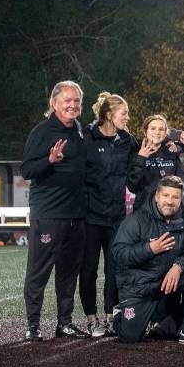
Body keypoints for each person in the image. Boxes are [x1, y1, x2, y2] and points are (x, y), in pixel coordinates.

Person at [21, 81, 91, 341]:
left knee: (68, 274)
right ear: (54, 103)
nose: (73, 105)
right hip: (49, 215)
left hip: (76, 216)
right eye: (67, 100)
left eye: (77, 101)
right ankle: (33, 326)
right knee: (38, 272)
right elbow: (27, 170)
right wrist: (49, 161)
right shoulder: (42, 131)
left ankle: (64, 323)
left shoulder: (80, 131)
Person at [111, 176, 184, 344]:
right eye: (166, 196)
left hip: (167, 286)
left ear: (181, 199)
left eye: (175, 197)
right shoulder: (136, 220)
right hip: (140, 288)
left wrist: (178, 266)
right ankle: (122, 313)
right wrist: (149, 249)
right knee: (129, 337)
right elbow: (119, 254)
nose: (170, 201)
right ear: (157, 196)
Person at [80, 92, 136, 338]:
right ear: (110, 115)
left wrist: (174, 138)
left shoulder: (127, 140)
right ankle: (91, 319)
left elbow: (151, 145)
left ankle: (110, 316)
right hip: (90, 217)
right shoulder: (87, 137)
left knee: (114, 269)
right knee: (89, 268)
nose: (128, 118)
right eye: (124, 113)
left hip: (116, 217)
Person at [127, 114, 180, 211]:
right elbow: (132, 187)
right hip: (144, 211)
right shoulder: (136, 153)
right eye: (153, 128)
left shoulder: (172, 152)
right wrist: (141, 159)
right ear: (145, 131)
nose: (157, 132)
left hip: (167, 211)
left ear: (165, 134)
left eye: (161, 129)